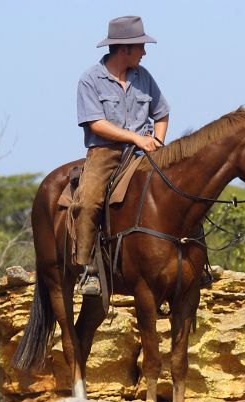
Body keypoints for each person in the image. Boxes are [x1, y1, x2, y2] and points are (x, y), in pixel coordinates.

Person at [70, 15, 170, 295]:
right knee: (88, 199)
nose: (145, 52)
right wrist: (136, 137)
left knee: (178, 188)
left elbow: (161, 113)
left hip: (144, 152)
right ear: (124, 48)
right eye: (141, 46)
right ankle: (88, 270)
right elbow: (95, 123)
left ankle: (191, 266)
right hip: (105, 152)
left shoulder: (144, 77)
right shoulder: (90, 80)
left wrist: (157, 141)